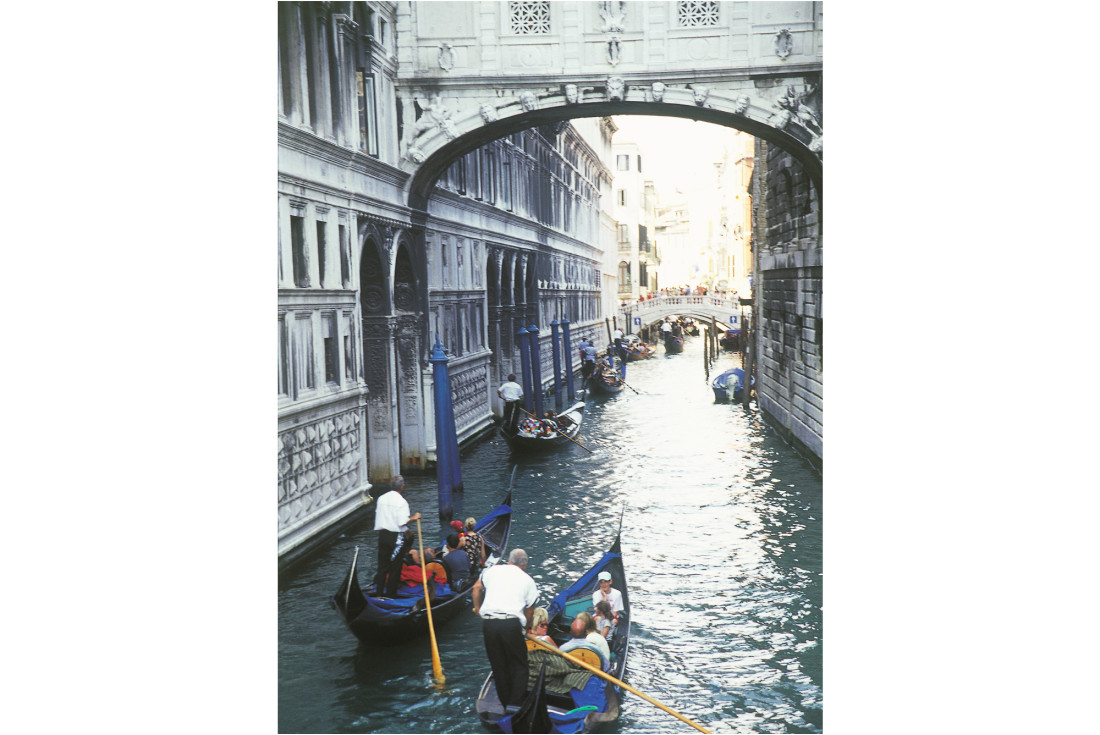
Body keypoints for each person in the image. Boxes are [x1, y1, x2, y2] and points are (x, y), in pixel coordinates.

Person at [472, 549, 539, 712]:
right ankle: (515, 705)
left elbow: (476, 588)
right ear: (525, 565)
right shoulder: (528, 580)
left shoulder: (492, 570)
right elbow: (529, 611)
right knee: (520, 665)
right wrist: (525, 628)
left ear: (509, 560)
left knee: (498, 665)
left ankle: (504, 704)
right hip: (510, 625)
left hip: (489, 624)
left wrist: (478, 609)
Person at [373, 475, 421, 596]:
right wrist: (414, 518)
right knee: (395, 567)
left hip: (382, 536)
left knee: (382, 566)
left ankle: (379, 593)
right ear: (402, 487)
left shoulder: (381, 498)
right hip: (396, 538)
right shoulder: (401, 502)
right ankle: (390, 595)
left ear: (391, 485)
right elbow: (402, 522)